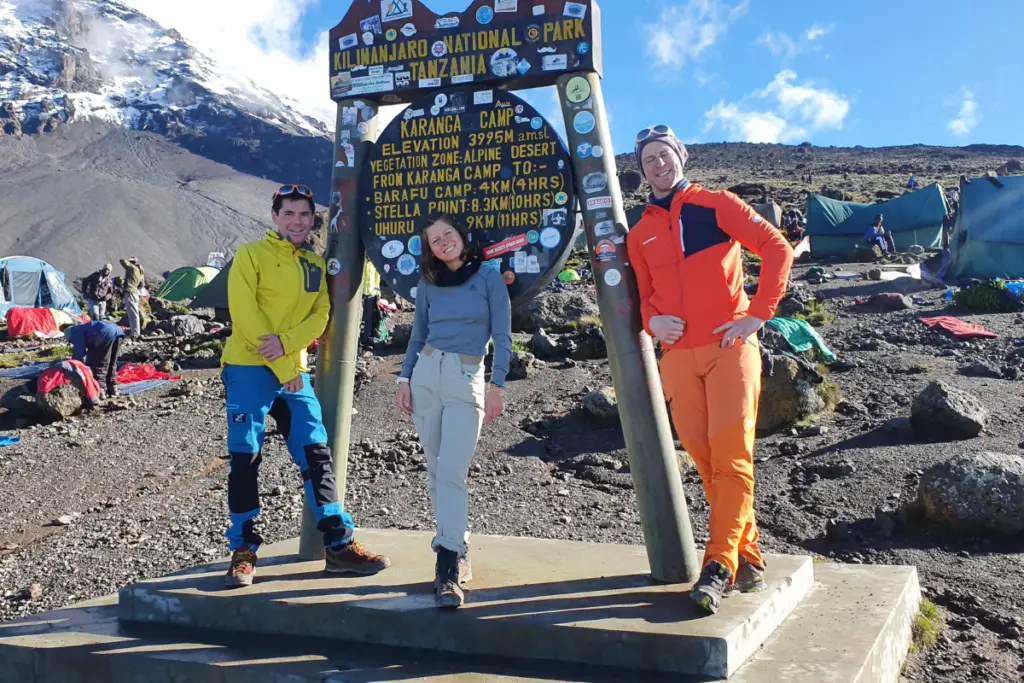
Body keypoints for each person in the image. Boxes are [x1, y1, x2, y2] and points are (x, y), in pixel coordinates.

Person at [627, 125, 794, 615]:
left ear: (681, 156)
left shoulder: (717, 205)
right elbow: (642, 297)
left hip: (729, 348)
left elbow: (777, 248)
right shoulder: (641, 232)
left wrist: (758, 313)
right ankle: (749, 557)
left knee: (732, 457)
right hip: (679, 358)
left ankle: (717, 567)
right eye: (649, 160)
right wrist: (652, 320)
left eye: (665, 155)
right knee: (705, 460)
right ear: (642, 171)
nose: (658, 164)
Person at [219, 184, 391, 588]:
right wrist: (281, 363)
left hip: (292, 371)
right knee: (245, 456)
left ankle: (339, 544)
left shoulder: (315, 263)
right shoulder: (250, 255)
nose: (297, 220)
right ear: (275, 217)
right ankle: (243, 551)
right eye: (289, 213)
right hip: (249, 367)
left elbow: (321, 315)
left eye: (304, 214)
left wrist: (288, 350)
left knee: (316, 454)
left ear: (314, 218)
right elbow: (245, 315)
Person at [396, 213, 511, 609]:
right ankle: (458, 550)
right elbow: (418, 334)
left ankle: (446, 565)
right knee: (435, 470)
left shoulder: (488, 278)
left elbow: (502, 335)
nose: (443, 242)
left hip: (467, 377)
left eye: (448, 234)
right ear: (428, 248)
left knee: (452, 471)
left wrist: (496, 386)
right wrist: (403, 379)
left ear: (462, 236)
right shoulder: (427, 284)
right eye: (434, 240)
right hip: (427, 373)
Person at [63, 319, 124, 398]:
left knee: (100, 363)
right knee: (112, 362)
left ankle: (100, 390)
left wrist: (74, 368)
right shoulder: (82, 328)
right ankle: (113, 387)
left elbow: (79, 355)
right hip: (118, 331)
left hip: (104, 333)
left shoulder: (75, 333)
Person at [119, 257, 145, 338]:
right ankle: (135, 332)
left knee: (132, 314)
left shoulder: (132, 267)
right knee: (134, 313)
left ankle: (135, 333)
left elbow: (122, 260)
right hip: (135, 293)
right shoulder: (140, 272)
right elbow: (142, 285)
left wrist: (128, 260)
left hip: (130, 292)